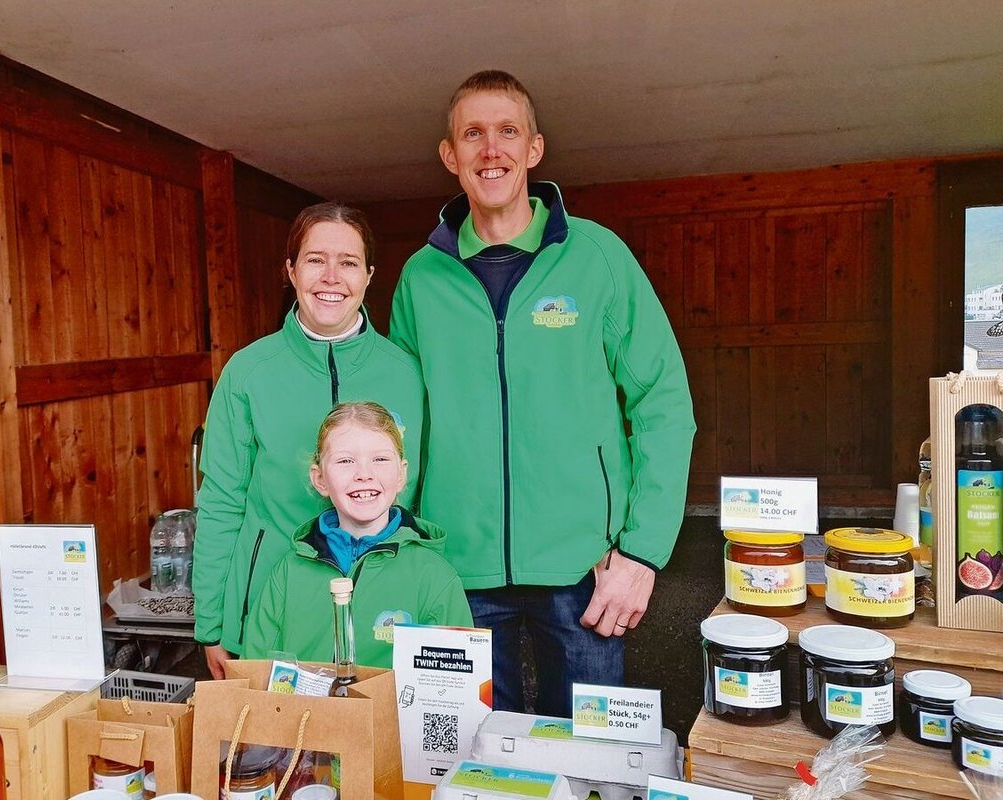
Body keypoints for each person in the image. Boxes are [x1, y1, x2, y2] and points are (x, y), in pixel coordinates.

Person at [388, 70, 695, 715]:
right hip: (455, 568)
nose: (490, 149)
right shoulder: (420, 278)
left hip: (584, 567)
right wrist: (400, 549)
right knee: (465, 761)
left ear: (535, 149)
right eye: (473, 134)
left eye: (508, 132)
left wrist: (642, 551)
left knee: (591, 764)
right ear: (450, 156)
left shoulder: (597, 257)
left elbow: (662, 400)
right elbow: (400, 427)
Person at [193, 204, 426, 679]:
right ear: (291, 270)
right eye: (316, 259)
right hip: (265, 611)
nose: (331, 276)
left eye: (349, 262)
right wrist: (211, 624)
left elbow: (417, 495)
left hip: (379, 613)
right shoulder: (248, 371)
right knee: (273, 751)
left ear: (369, 276)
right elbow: (220, 502)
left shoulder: (405, 372)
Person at [243, 402, 472, 668]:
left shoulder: (435, 578)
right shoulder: (288, 574)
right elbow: (254, 673)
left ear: (401, 474)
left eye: (380, 459)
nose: (364, 474)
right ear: (320, 479)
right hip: (304, 711)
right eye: (345, 461)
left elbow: (454, 689)